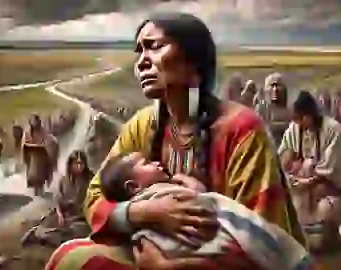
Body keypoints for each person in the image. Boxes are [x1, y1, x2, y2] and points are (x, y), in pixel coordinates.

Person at [46, 12, 305, 270]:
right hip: (154, 251)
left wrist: (170, 266)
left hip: (220, 261)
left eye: (154, 47)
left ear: (193, 62)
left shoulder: (242, 129)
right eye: (139, 52)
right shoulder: (142, 125)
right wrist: (149, 213)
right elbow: (96, 196)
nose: (141, 62)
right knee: (70, 257)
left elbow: (262, 237)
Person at [98, 151, 315, 270]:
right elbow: (98, 203)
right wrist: (143, 212)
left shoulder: (242, 125)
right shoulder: (143, 127)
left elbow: (210, 206)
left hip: (230, 242)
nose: (156, 163)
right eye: (146, 163)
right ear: (134, 187)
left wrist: (197, 192)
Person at [278, 91, 341, 266]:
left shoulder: (331, 129)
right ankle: (311, 231)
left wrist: (306, 181)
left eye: (302, 118)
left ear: (311, 114)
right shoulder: (295, 128)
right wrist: (286, 172)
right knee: (304, 172)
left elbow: (332, 169)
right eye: (296, 119)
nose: (299, 124)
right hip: (312, 177)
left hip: (337, 179)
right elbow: (285, 155)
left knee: (331, 210)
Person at [262, 72, 291, 146]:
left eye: (277, 86)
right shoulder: (261, 112)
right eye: (272, 86)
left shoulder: (291, 113)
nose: (275, 90)